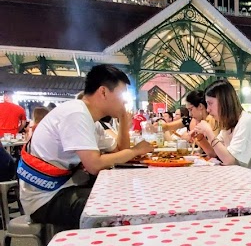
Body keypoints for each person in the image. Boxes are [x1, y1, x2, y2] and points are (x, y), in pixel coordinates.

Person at [18, 64, 152, 229]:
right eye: (122, 95)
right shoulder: (76, 113)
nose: (125, 101)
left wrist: (123, 119)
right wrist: (137, 150)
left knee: (123, 195)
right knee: (118, 206)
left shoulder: (90, 119)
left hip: (64, 188)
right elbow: (94, 165)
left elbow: (119, 151)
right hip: (46, 198)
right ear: (103, 92)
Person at [191, 79, 251, 175]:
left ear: (224, 101)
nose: (208, 109)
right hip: (244, 178)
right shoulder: (229, 124)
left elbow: (230, 161)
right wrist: (201, 137)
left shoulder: (246, 122)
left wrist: (209, 133)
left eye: (210, 103)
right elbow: (214, 153)